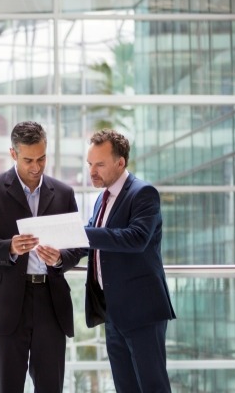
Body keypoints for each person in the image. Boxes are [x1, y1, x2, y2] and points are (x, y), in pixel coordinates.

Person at [0, 121, 84, 393]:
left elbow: (79, 246)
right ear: (13, 154)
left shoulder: (64, 193)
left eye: (42, 158)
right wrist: (10, 247)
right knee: (8, 386)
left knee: (51, 386)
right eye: (28, 160)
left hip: (51, 303)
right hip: (8, 303)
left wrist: (59, 258)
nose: (36, 167)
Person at [83, 129, 176, 393]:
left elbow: (136, 238)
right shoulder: (102, 199)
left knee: (153, 387)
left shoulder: (143, 193)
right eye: (90, 164)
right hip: (113, 312)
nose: (92, 171)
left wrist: (81, 234)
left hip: (142, 311)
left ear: (120, 162)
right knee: (125, 388)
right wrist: (59, 251)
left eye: (100, 164)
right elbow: (92, 241)